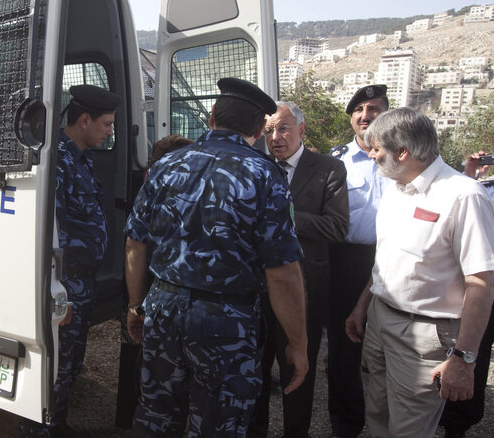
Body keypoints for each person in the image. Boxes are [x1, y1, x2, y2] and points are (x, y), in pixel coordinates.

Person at [124, 77, 309, 437]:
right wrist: (298, 344)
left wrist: (135, 306)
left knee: (157, 415)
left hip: (163, 310)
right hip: (228, 324)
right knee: (217, 423)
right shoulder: (266, 176)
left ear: (211, 117)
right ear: (259, 129)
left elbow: (135, 244)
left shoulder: (166, 165)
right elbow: (283, 272)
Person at [345, 108, 494, 438]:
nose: (371, 155)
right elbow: (387, 258)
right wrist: (362, 306)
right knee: (379, 418)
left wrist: (464, 359)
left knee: (409, 430)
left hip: (424, 336)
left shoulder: (463, 196)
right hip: (380, 319)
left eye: (377, 148)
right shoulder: (396, 187)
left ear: (403, 152)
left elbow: (481, 282)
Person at [19, 84, 121, 438]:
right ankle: (38, 430)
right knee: (54, 366)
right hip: (65, 281)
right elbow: (49, 232)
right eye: (106, 124)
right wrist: (57, 290)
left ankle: (55, 425)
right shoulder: (57, 161)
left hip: (82, 279)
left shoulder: (80, 157)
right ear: (84, 119)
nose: (110, 131)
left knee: (70, 364)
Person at [250, 102, 349, 438]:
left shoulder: (328, 169)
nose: (276, 138)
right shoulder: (256, 167)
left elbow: (337, 227)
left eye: (283, 128)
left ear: (302, 130)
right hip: (257, 291)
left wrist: (285, 214)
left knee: (298, 372)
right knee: (255, 373)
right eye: (269, 131)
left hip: (304, 291)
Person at [115, 134, 193, 429]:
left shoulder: (152, 184)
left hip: (148, 288)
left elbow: (134, 245)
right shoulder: (171, 185)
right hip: (156, 288)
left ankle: (129, 415)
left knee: (150, 372)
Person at [326, 84, 391, 438]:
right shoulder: (336, 161)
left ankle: (392, 421)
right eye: (359, 110)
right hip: (349, 263)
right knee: (343, 351)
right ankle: (346, 425)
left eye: (375, 109)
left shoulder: (402, 159)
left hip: (394, 260)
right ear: (351, 118)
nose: (366, 116)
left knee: (390, 345)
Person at [440, 152, 494, 438]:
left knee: (475, 351)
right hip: (472, 280)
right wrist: (471, 171)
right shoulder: (479, 188)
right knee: (469, 346)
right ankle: (453, 422)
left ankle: (459, 421)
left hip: (485, 278)